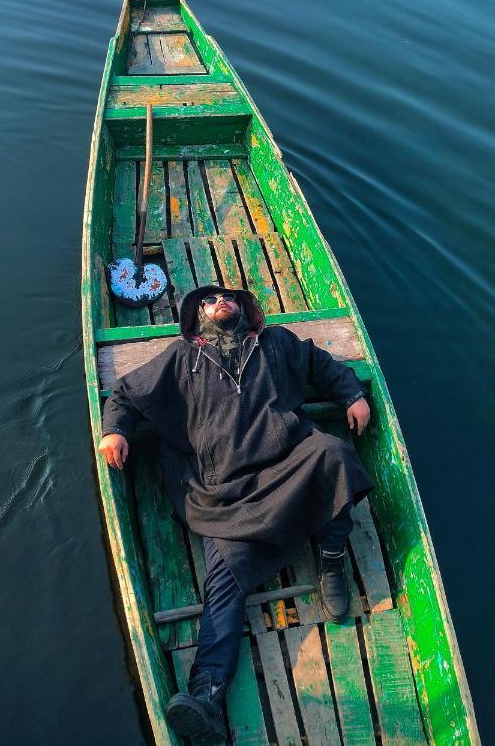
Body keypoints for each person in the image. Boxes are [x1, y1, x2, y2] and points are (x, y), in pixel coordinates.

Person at [98, 285, 373, 743]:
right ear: (198, 318)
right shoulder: (180, 358)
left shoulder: (276, 343)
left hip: (288, 464)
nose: (219, 302)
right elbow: (126, 394)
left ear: (244, 309)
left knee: (333, 454)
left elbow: (322, 364)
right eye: (208, 300)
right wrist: (114, 430)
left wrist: (351, 394)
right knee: (223, 585)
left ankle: (331, 560)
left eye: (227, 297)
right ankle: (206, 694)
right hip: (222, 494)